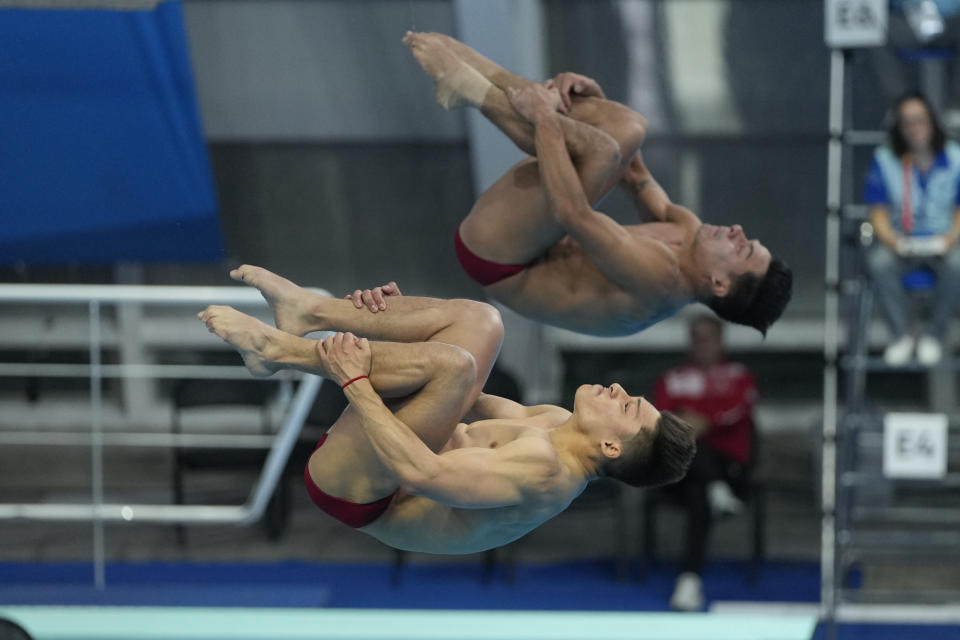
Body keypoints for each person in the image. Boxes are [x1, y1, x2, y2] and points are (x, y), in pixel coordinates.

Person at [199, 265, 697, 554]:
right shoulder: (554, 422)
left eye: (627, 405)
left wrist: (355, 382)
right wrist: (402, 325)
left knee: (453, 366)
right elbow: (462, 391)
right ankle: (310, 311)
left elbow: (421, 472)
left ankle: (279, 352)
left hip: (369, 493)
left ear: (611, 447)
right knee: (482, 321)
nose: (616, 386)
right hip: (394, 455)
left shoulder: (547, 471)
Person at [399, 32, 792, 337]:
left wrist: (547, 119)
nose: (738, 232)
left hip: (498, 257)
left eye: (741, 248)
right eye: (747, 238)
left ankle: (476, 89)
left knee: (599, 151)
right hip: (541, 237)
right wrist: (596, 105)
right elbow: (635, 173)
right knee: (629, 127)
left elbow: (571, 213)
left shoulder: (660, 281)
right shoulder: (688, 230)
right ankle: (497, 86)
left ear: (719, 284)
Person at [652, 314, 758, 611]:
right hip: (678, 472)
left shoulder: (739, 375)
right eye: (697, 338)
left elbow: (738, 410)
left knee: (699, 487)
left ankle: (689, 580)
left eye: (708, 337)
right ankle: (716, 490)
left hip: (732, 468)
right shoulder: (673, 378)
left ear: (721, 341)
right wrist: (690, 426)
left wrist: (702, 422)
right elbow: (659, 420)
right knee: (690, 453)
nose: (703, 344)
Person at [863, 92, 960, 366]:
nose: (915, 128)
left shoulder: (955, 158)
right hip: (901, 240)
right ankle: (901, 336)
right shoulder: (884, 159)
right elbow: (878, 212)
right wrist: (892, 241)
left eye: (920, 120)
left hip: (944, 239)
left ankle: (933, 335)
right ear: (899, 128)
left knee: (959, 264)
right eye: (907, 122)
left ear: (932, 123)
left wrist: (952, 237)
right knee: (879, 263)